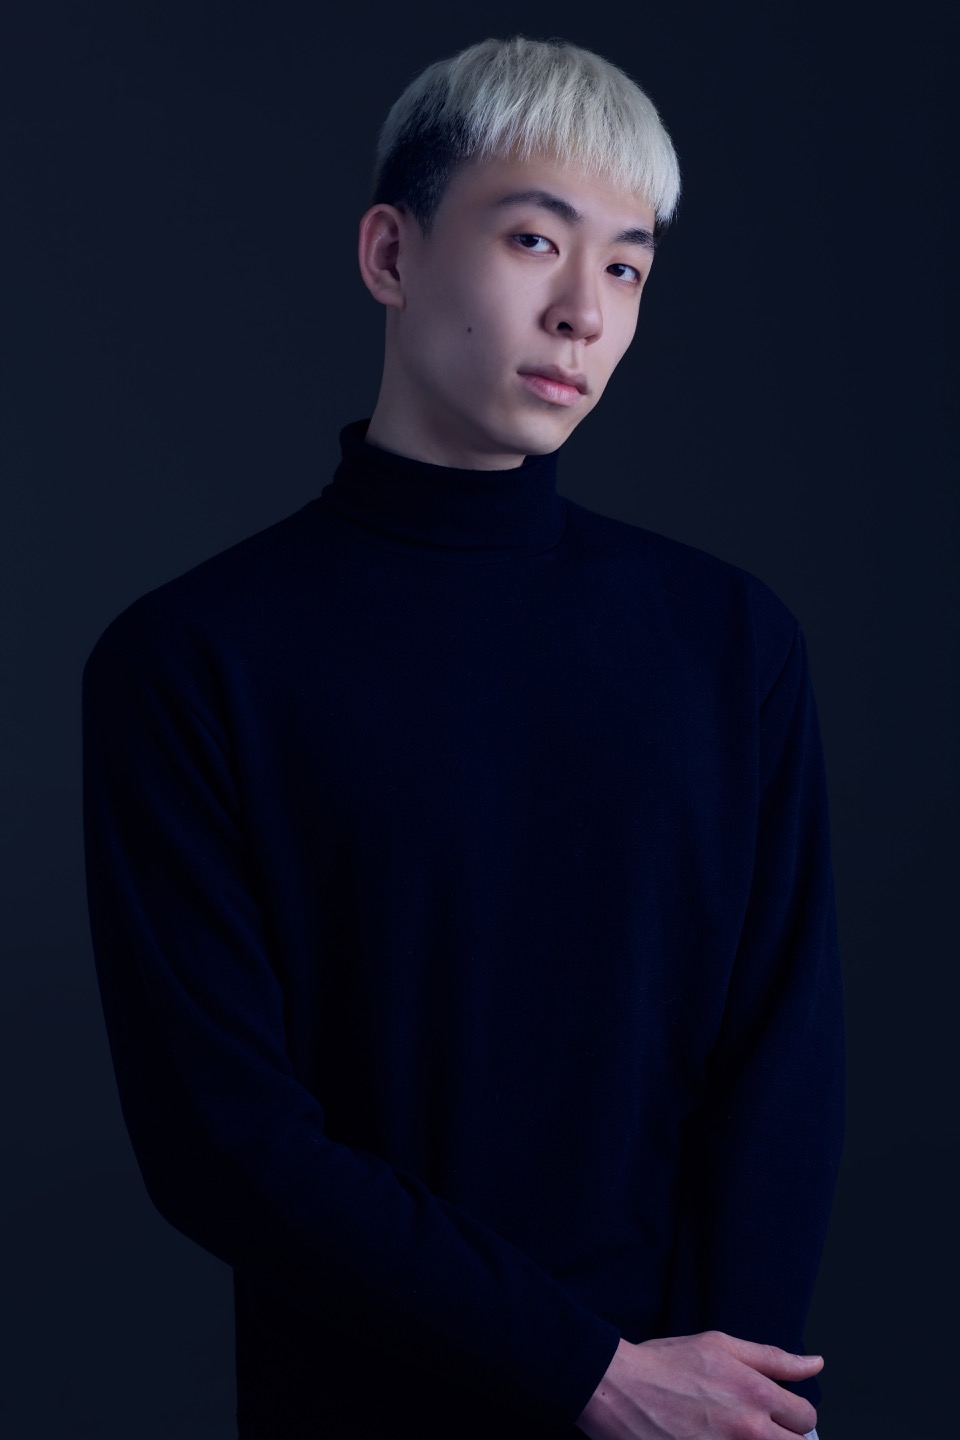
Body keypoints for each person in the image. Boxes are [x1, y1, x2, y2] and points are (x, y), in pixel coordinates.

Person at [82, 35, 844, 1440]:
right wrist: (590, 1373)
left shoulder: (732, 643)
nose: (583, 313)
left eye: (627, 267)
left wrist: (725, 1399)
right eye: (533, 240)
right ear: (391, 252)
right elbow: (221, 1140)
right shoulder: (193, 661)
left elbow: (782, 1065)